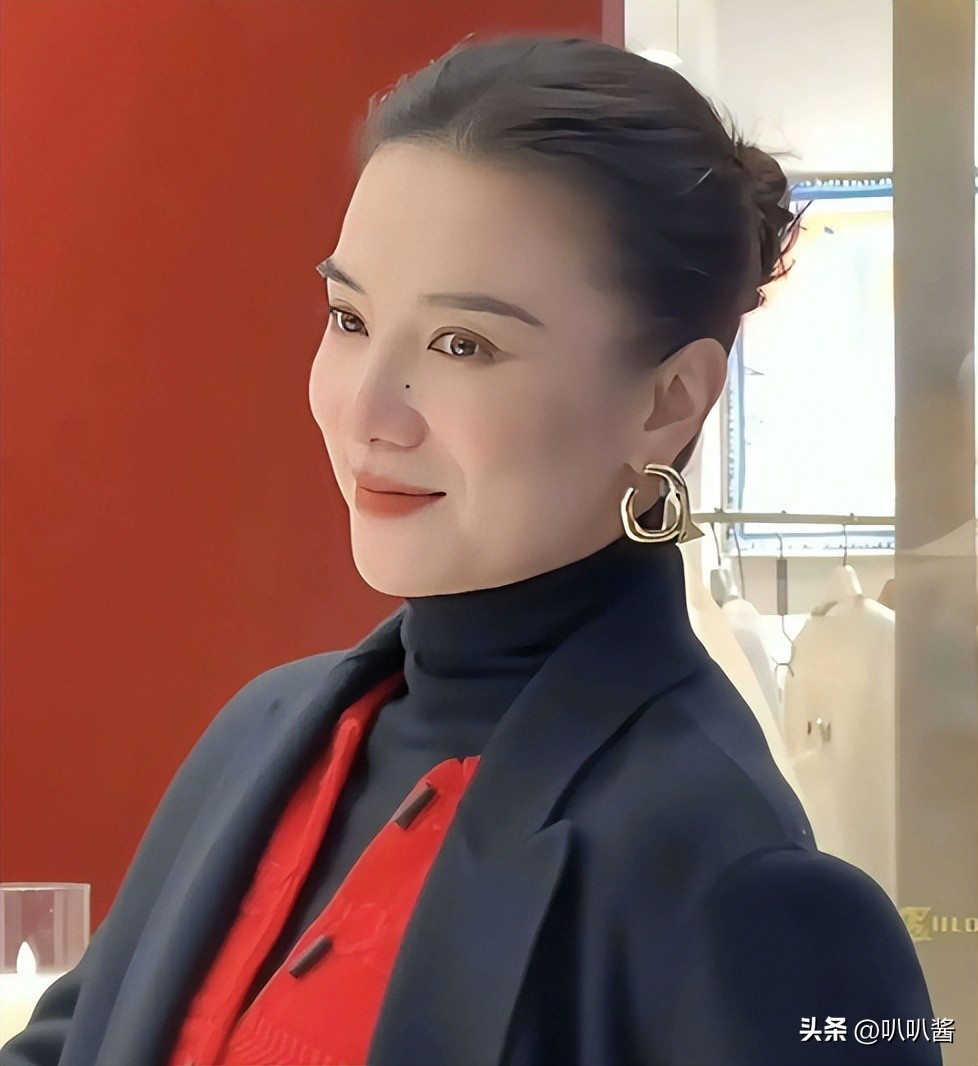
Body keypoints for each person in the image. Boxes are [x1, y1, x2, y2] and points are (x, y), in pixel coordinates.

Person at [0, 31, 942, 1066]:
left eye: (464, 344)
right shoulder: (258, 739)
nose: (366, 411)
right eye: (348, 318)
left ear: (669, 400)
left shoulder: (734, 880)